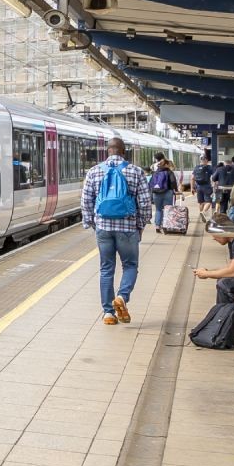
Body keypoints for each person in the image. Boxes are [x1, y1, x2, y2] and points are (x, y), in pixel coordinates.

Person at [81, 136, 147, 326]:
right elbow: (143, 202)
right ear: (124, 152)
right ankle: (122, 297)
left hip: (103, 228)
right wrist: (140, 225)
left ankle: (108, 313)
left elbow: (86, 201)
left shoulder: (94, 172)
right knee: (130, 265)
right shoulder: (136, 171)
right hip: (127, 227)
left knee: (106, 269)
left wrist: (92, 224)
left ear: (107, 151)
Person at [148, 158, 176, 231]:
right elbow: (173, 181)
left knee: (158, 209)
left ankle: (157, 226)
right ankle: (165, 225)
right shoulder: (169, 172)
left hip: (156, 193)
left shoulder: (155, 172)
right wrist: (175, 189)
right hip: (167, 192)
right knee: (167, 209)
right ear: (166, 164)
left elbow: (150, 183)